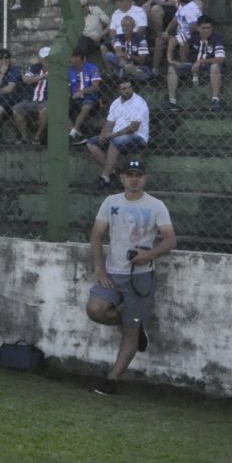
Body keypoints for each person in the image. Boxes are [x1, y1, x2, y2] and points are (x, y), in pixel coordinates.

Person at [87, 159, 175, 396]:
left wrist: (149, 254)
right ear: (122, 178)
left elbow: (169, 239)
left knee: (130, 332)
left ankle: (113, 380)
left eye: (138, 175)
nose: (134, 179)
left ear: (145, 178)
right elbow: (96, 235)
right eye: (130, 174)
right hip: (113, 273)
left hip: (140, 277)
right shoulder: (111, 202)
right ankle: (134, 326)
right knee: (96, 309)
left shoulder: (156, 205)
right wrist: (100, 269)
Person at [85, 79, 150, 189]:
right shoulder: (116, 103)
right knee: (91, 143)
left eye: (129, 87)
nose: (127, 91)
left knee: (115, 141)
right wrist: (103, 134)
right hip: (116, 135)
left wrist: (111, 136)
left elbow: (133, 127)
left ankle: (105, 178)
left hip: (137, 136)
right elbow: (109, 123)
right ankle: (114, 173)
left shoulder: (139, 102)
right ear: (118, 90)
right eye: (124, 89)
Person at [168, 17, 225, 110]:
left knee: (215, 66)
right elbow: (172, 40)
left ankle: (215, 100)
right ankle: (172, 102)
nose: (206, 31)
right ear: (198, 28)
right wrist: (169, 57)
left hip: (209, 66)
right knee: (172, 66)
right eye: (204, 28)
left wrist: (201, 61)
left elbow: (220, 58)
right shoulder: (192, 35)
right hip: (192, 65)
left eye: (209, 28)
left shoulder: (217, 38)